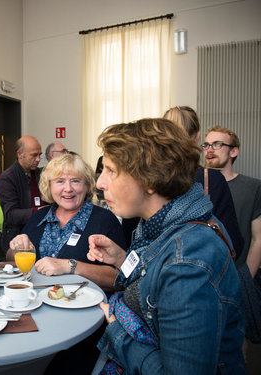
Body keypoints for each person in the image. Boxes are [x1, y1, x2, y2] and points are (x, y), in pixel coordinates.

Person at [87, 118, 245, 374]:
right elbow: (155, 282)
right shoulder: (165, 223)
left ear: (151, 180)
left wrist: (116, 329)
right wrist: (120, 259)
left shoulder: (188, 260)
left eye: (111, 170)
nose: (100, 183)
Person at [7, 153, 125, 288]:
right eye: (60, 181)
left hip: (84, 305)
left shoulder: (105, 220)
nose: (68, 189)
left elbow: (120, 279)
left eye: (75, 181)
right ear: (49, 186)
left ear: (86, 185)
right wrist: (15, 248)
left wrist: (71, 266)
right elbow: (11, 260)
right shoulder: (39, 217)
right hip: (37, 300)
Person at [164, 106, 244, 258]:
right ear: (198, 137)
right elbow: (233, 242)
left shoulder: (147, 179)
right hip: (202, 269)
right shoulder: (211, 179)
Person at [204, 126, 261, 275]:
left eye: (217, 144)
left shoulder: (253, 187)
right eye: (206, 145)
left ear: (233, 151)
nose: (209, 150)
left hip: (238, 273)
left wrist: (245, 280)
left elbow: (258, 239)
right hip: (205, 278)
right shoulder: (195, 188)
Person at [0, 135, 44, 255]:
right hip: (18, 241)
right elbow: (11, 215)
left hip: (40, 236)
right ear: (20, 154)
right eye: (34, 155)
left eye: (40, 155)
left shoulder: (40, 174)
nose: (38, 159)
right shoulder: (7, 178)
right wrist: (38, 211)